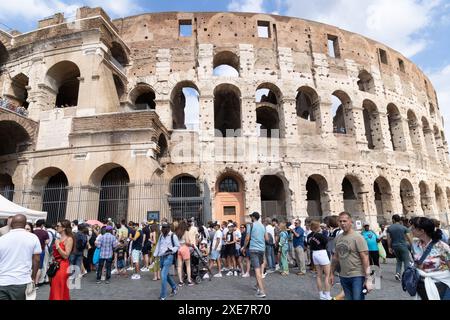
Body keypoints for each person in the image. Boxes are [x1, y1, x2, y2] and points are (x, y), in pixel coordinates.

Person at [330, 212, 371, 301]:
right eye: (340, 221)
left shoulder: (358, 237)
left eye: (345, 221)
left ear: (350, 222)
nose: (342, 223)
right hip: (343, 276)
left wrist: (368, 278)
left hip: (357, 276)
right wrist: (331, 273)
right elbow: (335, 257)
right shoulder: (338, 238)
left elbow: (365, 258)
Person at [0, 214, 41, 300]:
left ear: (11, 224)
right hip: (21, 281)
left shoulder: (2, 239)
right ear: (25, 224)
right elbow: (36, 260)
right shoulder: (33, 238)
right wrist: (33, 277)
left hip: (2, 281)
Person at [410, 217, 450, 300]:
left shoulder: (442, 247)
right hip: (421, 284)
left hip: (441, 284)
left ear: (422, 231)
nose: (411, 230)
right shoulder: (415, 245)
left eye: (413, 228)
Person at [243, 212, 268, 298]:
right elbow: (267, 238)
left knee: (257, 270)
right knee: (260, 269)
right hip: (262, 249)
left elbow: (247, 238)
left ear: (253, 217)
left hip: (253, 249)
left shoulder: (250, 225)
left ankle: (262, 291)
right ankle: (258, 286)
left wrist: (244, 247)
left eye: (251, 217)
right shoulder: (263, 226)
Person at [153, 222, 180, 300]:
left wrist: (171, 250)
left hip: (169, 257)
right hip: (161, 257)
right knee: (166, 275)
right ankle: (174, 287)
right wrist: (155, 255)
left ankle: (163, 296)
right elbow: (158, 245)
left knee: (163, 276)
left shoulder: (173, 236)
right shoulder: (161, 235)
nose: (162, 230)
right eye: (162, 228)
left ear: (168, 228)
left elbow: (177, 246)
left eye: (164, 228)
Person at [49, 220, 74, 300]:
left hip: (62, 265)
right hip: (55, 264)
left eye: (58, 226)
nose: (56, 227)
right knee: (54, 287)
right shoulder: (59, 238)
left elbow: (66, 255)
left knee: (59, 287)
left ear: (64, 228)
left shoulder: (69, 239)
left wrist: (57, 246)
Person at [309, 221, 331, 300]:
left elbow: (307, 243)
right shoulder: (320, 235)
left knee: (318, 275)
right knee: (327, 275)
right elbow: (326, 241)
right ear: (318, 227)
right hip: (321, 253)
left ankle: (321, 295)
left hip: (314, 254)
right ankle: (327, 295)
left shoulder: (310, 235)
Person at [387, 214, 413, 281]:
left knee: (398, 261)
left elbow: (389, 239)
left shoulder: (389, 228)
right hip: (403, 245)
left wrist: (389, 247)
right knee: (406, 261)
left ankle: (398, 273)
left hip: (395, 246)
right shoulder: (404, 228)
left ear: (393, 220)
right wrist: (412, 246)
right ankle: (407, 276)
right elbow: (409, 238)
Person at [175, 220, 193, 286]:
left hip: (179, 249)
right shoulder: (186, 232)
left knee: (179, 266)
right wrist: (191, 244)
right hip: (185, 248)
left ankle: (180, 281)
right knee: (188, 265)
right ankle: (189, 280)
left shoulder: (177, 233)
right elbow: (187, 242)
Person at [33, 219, 49, 286]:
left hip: (32, 251)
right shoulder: (44, 232)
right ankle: (36, 282)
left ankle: (31, 281)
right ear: (42, 225)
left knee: (31, 266)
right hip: (41, 251)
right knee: (39, 267)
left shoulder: (32, 231)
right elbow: (47, 242)